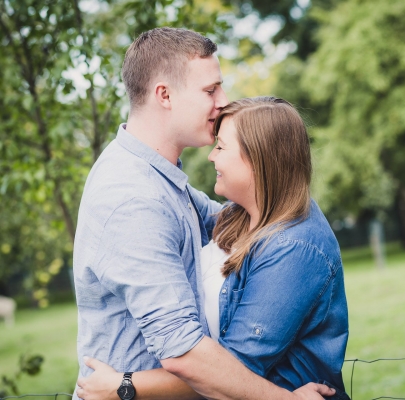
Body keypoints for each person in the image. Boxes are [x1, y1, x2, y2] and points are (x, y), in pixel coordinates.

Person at [73, 27, 335, 400]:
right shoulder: (134, 197)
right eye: (210, 90)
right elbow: (185, 354)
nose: (223, 101)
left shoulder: (160, 179)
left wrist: (288, 192)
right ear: (164, 94)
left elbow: (241, 219)